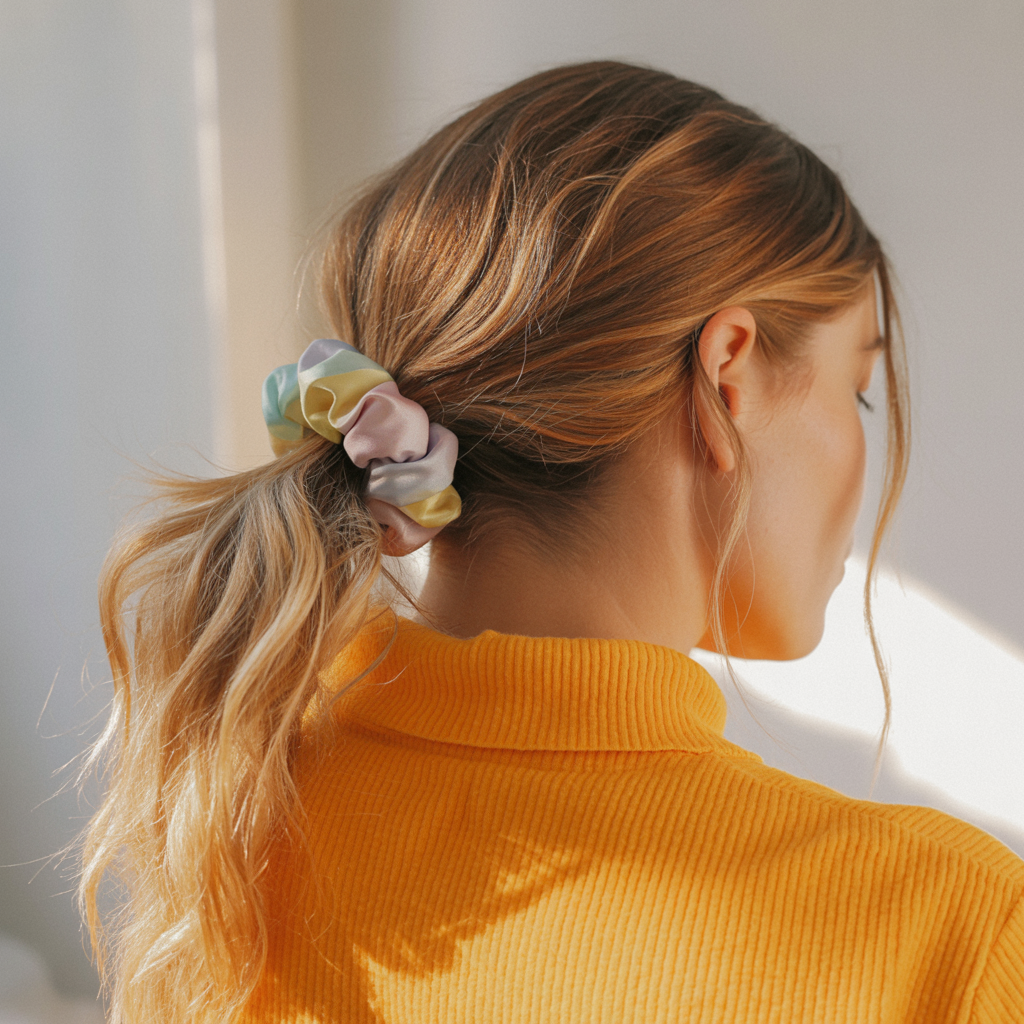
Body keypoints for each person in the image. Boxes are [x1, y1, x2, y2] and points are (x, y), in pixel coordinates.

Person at [79, 61, 1024, 1023]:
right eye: (855, 389)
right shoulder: (947, 934)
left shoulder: (228, 819)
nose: (866, 448)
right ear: (728, 377)